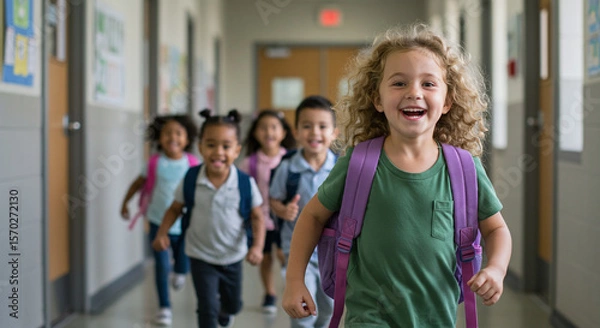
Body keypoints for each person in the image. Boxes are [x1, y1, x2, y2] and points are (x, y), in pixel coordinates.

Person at [282, 24, 512, 327]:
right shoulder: (359, 163)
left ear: (447, 102)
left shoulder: (464, 168)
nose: (414, 93)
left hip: (437, 319)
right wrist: (294, 280)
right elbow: (312, 217)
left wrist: (496, 268)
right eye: (399, 83)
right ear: (377, 99)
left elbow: (496, 229)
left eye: (428, 84)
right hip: (369, 317)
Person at [152, 109, 265, 328]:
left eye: (226, 146)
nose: (218, 152)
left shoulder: (244, 183)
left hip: (232, 255)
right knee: (206, 307)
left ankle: (226, 310)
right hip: (200, 254)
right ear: (201, 147)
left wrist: (258, 247)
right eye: (211, 145)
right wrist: (161, 233)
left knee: (233, 305)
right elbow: (175, 209)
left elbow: (258, 216)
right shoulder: (191, 178)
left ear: (237, 150)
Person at [120, 114, 199, 326]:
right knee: (161, 266)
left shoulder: (192, 163)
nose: (173, 137)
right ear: (159, 137)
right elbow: (137, 184)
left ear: (187, 138)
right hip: (158, 222)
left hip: (184, 224)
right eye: (167, 133)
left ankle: (181, 272)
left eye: (178, 133)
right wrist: (125, 202)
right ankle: (164, 306)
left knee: (184, 260)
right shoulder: (155, 163)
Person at [270, 95, 337, 328]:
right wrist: (283, 210)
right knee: (303, 310)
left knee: (327, 308)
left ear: (334, 133)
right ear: (296, 132)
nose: (314, 132)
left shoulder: (339, 168)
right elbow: (273, 200)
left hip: (331, 251)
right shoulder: (288, 168)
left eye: (322, 126)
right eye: (306, 126)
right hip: (298, 250)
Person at [238, 109, 296, 314]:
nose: (268, 132)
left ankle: (291, 284)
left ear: (283, 133)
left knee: (283, 253)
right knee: (265, 257)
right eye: (263, 128)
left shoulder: (290, 159)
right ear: (255, 133)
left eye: (274, 127)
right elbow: (241, 191)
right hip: (259, 220)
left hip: (283, 218)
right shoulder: (249, 163)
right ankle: (269, 293)